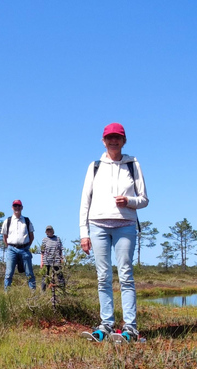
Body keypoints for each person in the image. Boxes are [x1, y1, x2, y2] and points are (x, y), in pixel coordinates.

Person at [80, 122, 149, 342]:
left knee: (126, 276)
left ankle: (130, 328)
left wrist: (129, 201)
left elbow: (144, 200)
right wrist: (84, 232)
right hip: (98, 225)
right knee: (103, 277)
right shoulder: (94, 166)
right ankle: (106, 325)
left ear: (123, 141)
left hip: (125, 225)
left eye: (117, 137)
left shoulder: (133, 164)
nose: (113, 141)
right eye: (109, 138)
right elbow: (85, 201)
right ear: (103, 141)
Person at [2, 199, 36, 290]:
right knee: (8, 274)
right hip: (11, 249)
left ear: (22, 207)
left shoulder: (27, 220)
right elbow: (4, 237)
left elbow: (31, 236)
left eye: (18, 206)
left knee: (29, 273)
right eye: (15, 206)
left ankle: (33, 293)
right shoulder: (7, 221)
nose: (17, 208)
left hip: (24, 249)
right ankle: (6, 294)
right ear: (12, 207)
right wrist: (9, 247)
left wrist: (27, 246)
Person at [40, 225, 65, 290]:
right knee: (45, 276)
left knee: (60, 276)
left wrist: (61, 258)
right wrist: (42, 261)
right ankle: (43, 291)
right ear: (46, 232)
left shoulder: (57, 239)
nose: (49, 231)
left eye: (50, 230)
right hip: (46, 260)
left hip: (56, 260)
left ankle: (62, 289)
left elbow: (60, 249)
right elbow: (42, 251)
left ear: (53, 231)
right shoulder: (44, 240)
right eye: (48, 230)